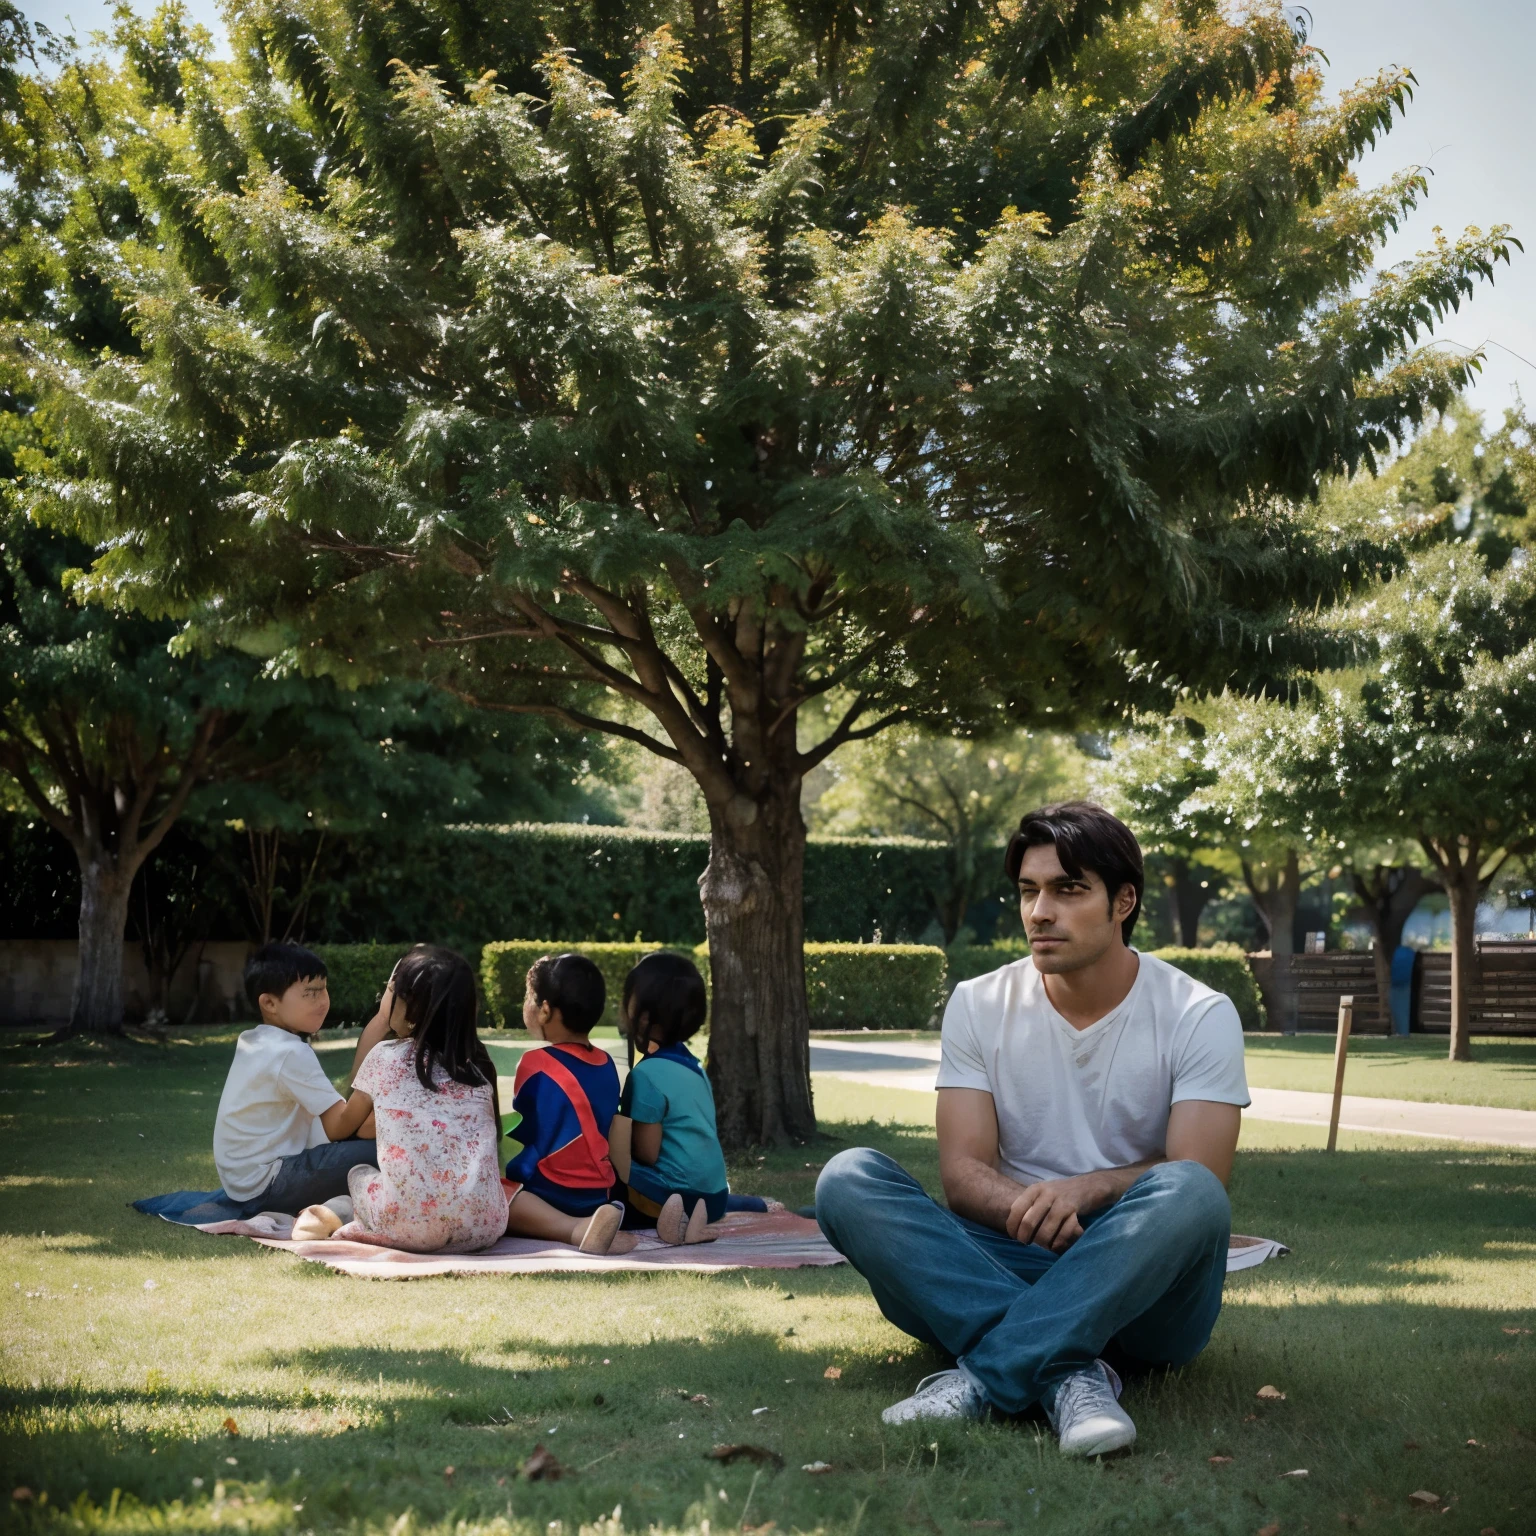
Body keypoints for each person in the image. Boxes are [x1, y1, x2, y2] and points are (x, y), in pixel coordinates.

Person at [815, 802, 1249, 1457]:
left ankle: (987, 1373)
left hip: (1142, 1277)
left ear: (1123, 901)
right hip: (1008, 1249)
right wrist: (1033, 1208)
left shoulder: (1198, 1014)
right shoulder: (979, 1003)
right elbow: (962, 1176)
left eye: (1068, 890)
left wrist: (1086, 1190)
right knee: (847, 1179)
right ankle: (1071, 1371)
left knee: (1188, 1190)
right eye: (1028, 891)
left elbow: (1200, 1179)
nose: (1040, 911)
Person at [309, 945, 511, 1254]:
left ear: (410, 1005)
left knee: (359, 1173)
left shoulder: (385, 1057)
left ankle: (338, 1213)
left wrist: (311, 1086)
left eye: (392, 989)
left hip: (409, 1226)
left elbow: (340, 1129)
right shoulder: (478, 1069)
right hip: (485, 1226)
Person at [212, 943, 377, 1219]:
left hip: (241, 1184)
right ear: (269, 1003)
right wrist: (377, 1079)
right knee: (381, 1152)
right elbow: (338, 1126)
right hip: (267, 1185)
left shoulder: (256, 1039)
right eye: (310, 993)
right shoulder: (290, 1052)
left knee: (366, 1143)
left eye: (324, 989)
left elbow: (333, 1121)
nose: (322, 1000)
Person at [502, 953, 634, 1255]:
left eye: (528, 997)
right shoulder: (606, 1062)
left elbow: (530, 1130)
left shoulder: (534, 1063)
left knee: (495, 1194)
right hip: (599, 1192)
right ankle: (595, 1220)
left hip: (548, 1193)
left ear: (545, 1010)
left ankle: (571, 1229)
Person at [607, 951, 736, 1246]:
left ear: (643, 1016)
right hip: (715, 1199)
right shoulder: (694, 1066)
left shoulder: (647, 1074)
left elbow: (647, 1154)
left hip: (677, 1199)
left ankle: (674, 1223)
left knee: (604, 1179)